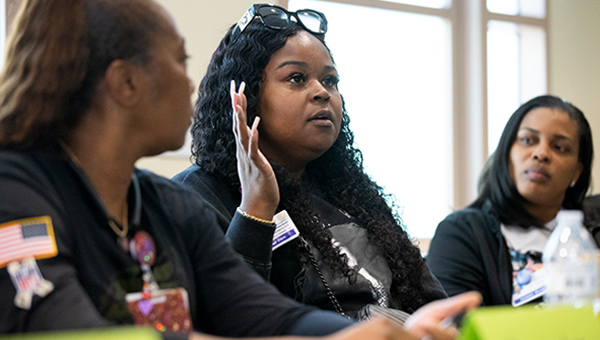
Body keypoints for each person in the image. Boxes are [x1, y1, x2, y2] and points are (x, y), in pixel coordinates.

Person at [0, 0, 480, 339]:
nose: (191, 82)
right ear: (125, 83)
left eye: (329, 80)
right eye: (178, 61)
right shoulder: (13, 188)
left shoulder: (164, 206)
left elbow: (267, 317)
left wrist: (380, 334)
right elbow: (70, 332)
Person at [173, 3, 450, 321]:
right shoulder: (194, 197)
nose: (322, 92)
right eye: (296, 78)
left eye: (330, 80)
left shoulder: (352, 192)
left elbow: (434, 304)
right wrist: (256, 210)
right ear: (245, 95)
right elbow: (228, 318)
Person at [426, 95, 593, 307]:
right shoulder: (461, 234)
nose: (541, 153)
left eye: (559, 147)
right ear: (507, 153)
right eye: (527, 140)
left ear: (577, 172)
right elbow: (456, 328)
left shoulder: (589, 236)